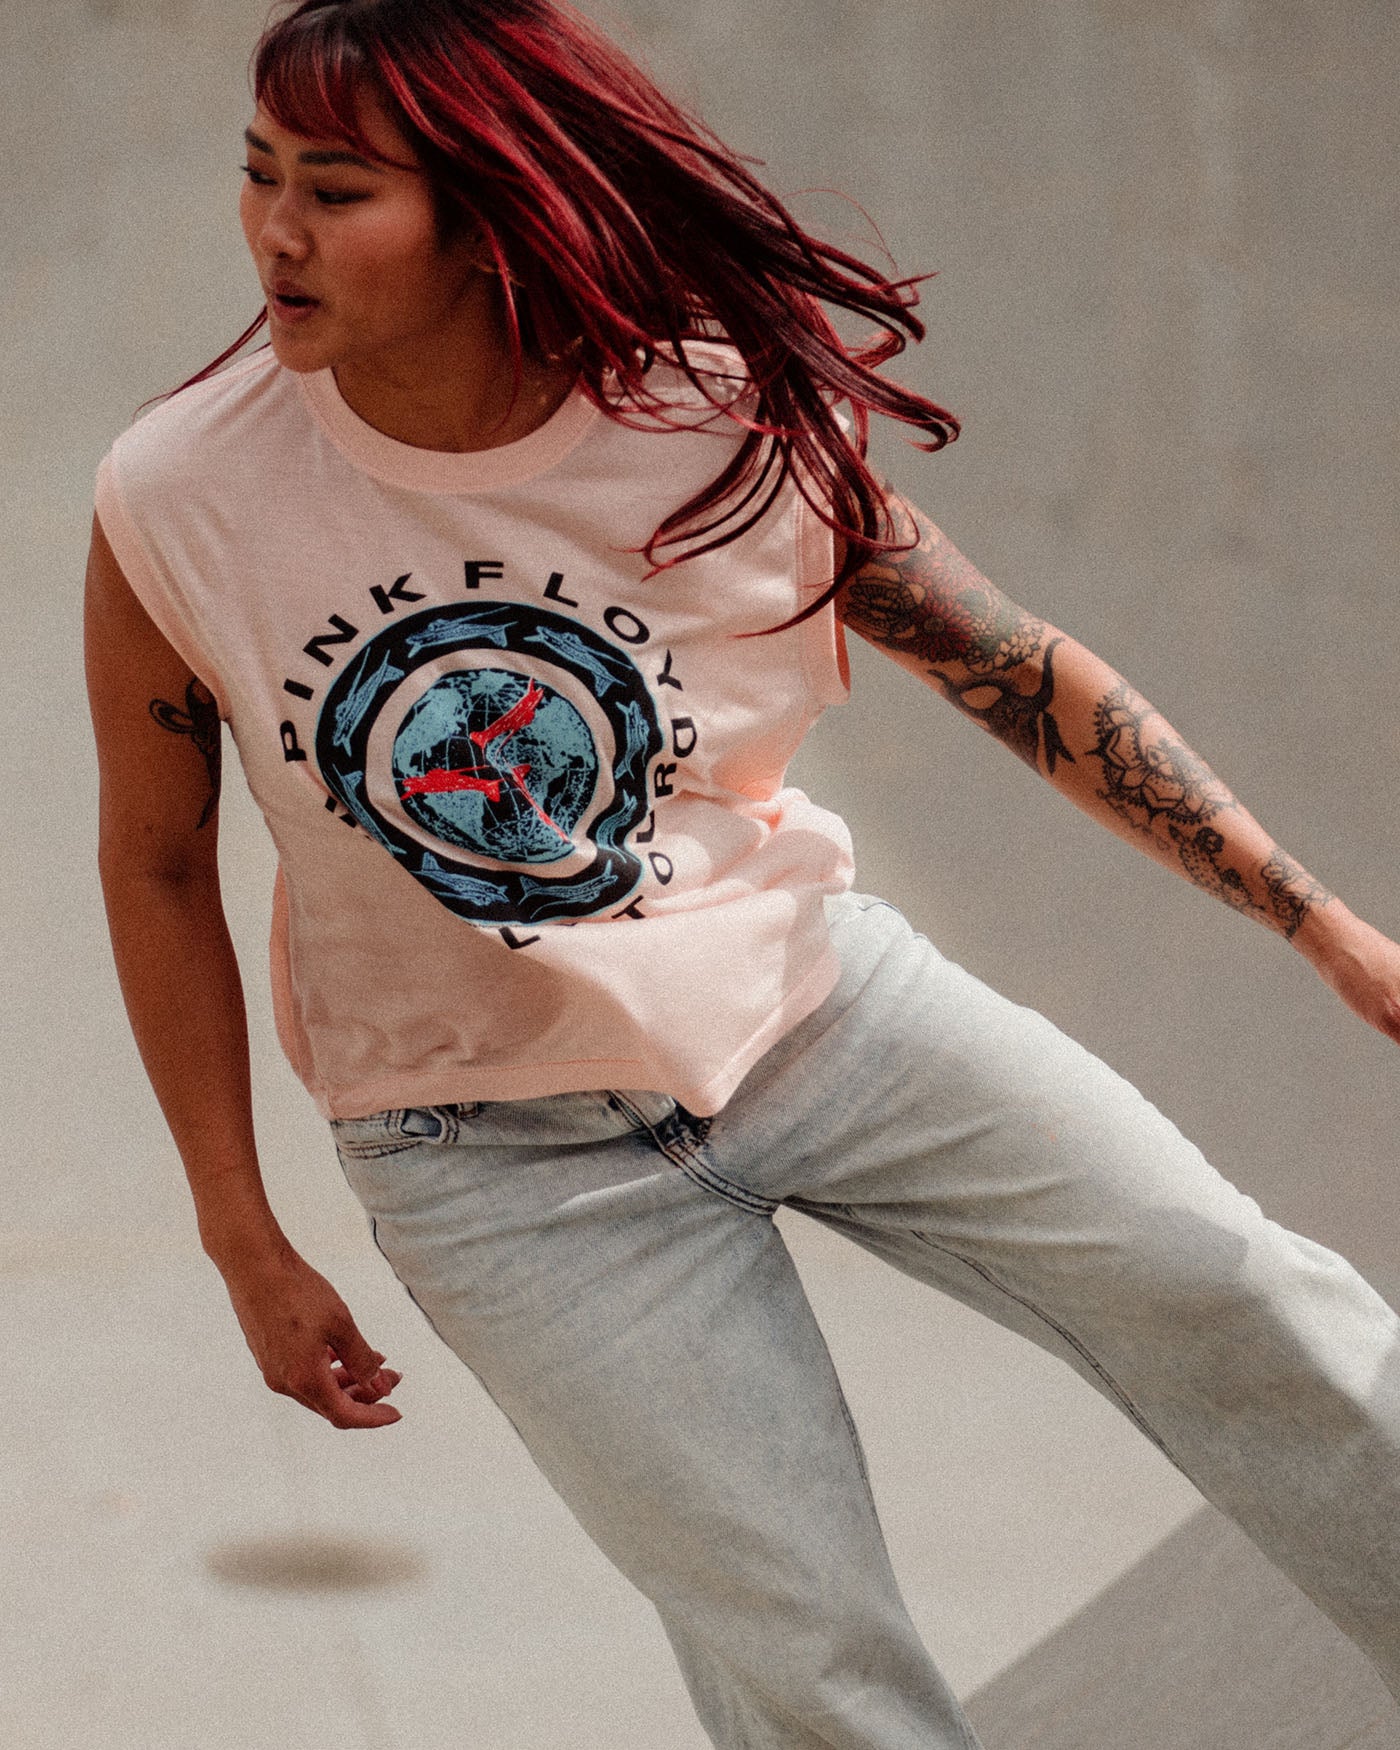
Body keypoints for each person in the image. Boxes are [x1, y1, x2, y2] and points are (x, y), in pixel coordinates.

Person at [85, 0, 1400, 1743]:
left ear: (488, 216)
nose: (275, 231)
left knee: (1250, 1299)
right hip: (491, 1161)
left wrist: (1321, 925)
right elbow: (154, 859)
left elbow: (1011, 668)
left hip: (817, 1013)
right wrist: (239, 1231)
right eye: (258, 174)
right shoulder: (181, 495)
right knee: (811, 1656)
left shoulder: (712, 420)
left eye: (336, 192)